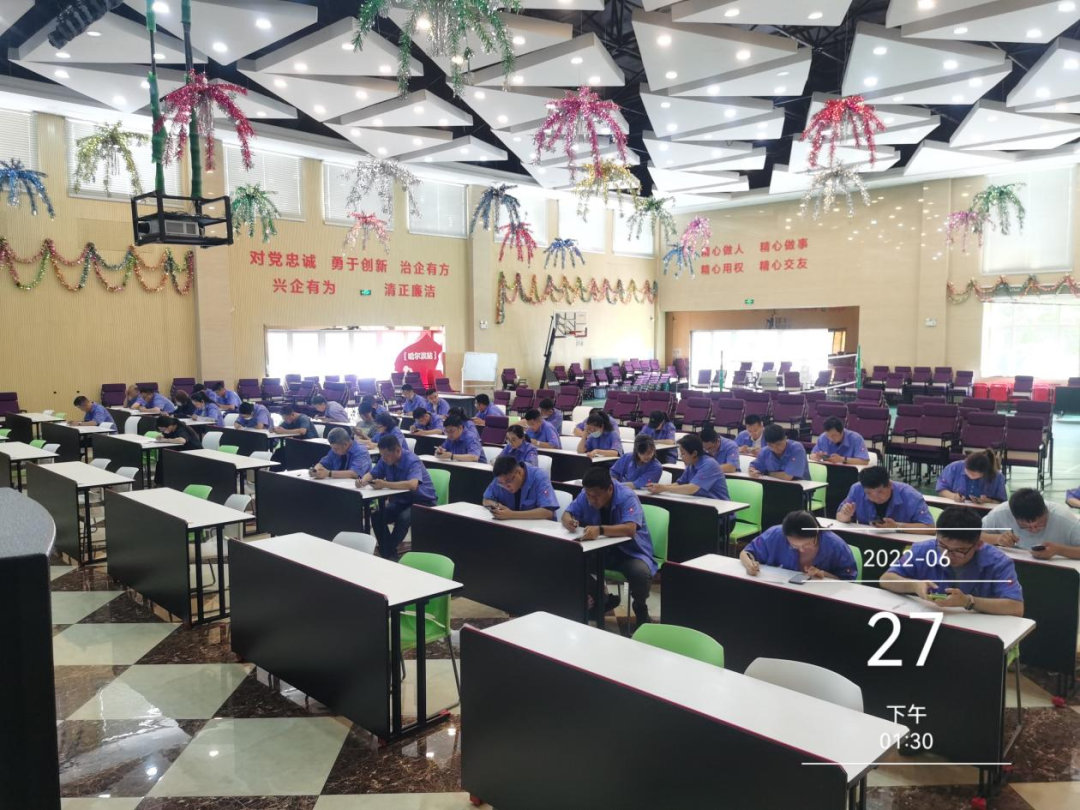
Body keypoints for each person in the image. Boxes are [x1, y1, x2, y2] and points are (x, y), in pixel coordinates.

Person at [881, 506, 1024, 616]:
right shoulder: (922, 550)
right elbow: (886, 579)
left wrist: (968, 601)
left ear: (978, 545)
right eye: (942, 546)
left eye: (959, 551)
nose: (947, 555)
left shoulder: (999, 562)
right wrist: (914, 586)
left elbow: (1016, 607)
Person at [562, 467, 656, 629]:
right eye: (588, 495)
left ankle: (640, 609)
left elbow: (630, 529)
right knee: (571, 561)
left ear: (610, 489)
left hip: (629, 552)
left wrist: (600, 530)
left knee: (641, 574)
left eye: (596, 496)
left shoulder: (627, 497)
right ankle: (602, 597)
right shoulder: (587, 494)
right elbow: (566, 514)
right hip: (601, 550)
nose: (591, 500)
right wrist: (569, 521)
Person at [359, 435, 437, 560]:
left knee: (403, 518)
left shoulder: (412, 460)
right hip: (402, 501)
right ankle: (389, 553)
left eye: (386, 455)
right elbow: (373, 473)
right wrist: (362, 480)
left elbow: (412, 485)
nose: (384, 458)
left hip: (423, 502)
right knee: (377, 516)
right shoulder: (385, 460)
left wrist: (384, 484)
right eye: (382, 455)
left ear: (398, 450)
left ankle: (387, 552)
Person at [740, 510, 858, 580]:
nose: (801, 550)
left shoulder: (835, 545)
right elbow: (746, 552)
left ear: (816, 533)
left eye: (807, 544)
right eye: (794, 545)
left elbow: (847, 582)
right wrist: (750, 565)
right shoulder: (775, 534)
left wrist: (823, 574)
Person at [980, 488, 1080, 560]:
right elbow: (974, 535)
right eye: (1025, 526)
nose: (1034, 529)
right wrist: (997, 539)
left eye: (1040, 523)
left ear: (1046, 511)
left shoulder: (1064, 519)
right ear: (1014, 517)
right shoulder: (1001, 513)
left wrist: (1058, 550)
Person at [836, 465, 934, 529]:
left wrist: (897, 526)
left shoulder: (910, 495)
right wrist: (846, 515)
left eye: (880, 492)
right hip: (867, 538)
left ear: (890, 485)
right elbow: (839, 516)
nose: (875, 497)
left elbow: (930, 527)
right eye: (869, 493)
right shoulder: (857, 489)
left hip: (900, 542)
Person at [648, 433, 729, 501]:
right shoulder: (691, 464)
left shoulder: (709, 464)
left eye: (683, 453)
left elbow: (692, 488)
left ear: (694, 453)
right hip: (700, 504)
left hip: (719, 509)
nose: (681, 456)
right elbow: (679, 483)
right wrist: (659, 487)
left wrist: (664, 488)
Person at [482, 455, 559, 520]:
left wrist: (511, 514)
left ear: (519, 472)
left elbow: (548, 512)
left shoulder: (540, 477)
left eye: (508, 481)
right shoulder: (501, 478)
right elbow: (486, 499)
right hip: (512, 526)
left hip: (538, 528)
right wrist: (497, 506)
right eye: (501, 484)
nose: (505, 486)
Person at [936, 450, 1007, 505]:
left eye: (974, 474)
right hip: (954, 507)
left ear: (984, 473)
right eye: (967, 472)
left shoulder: (997, 477)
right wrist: (953, 496)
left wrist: (988, 501)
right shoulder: (954, 467)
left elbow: (1002, 503)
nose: (970, 476)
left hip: (983, 512)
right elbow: (941, 489)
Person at [154, 415, 203, 485]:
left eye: (163, 429)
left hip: (193, 453)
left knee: (166, 459)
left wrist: (166, 440)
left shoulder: (181, 429)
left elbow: (182, 440)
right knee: (162, 459)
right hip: (182, 452)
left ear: (169, 426)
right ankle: (161, 483)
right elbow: (168, 436)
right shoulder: (170, 429)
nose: (162, 431)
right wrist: (161, 436)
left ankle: (167, 483)